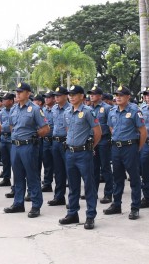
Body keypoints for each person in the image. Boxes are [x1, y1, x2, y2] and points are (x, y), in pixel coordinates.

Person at [59, 85, 101, 230]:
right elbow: (68, 130)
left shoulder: (88, 112)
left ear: (82, 96)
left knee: (89, 184)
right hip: (70, 152)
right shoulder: (67, 112)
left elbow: (98, 132)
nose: (71, 97)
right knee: (72, 184)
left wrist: (90, 147)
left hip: (84, 153)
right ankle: (72, 213)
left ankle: (90, 215)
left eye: (74, 94)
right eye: (69, 94)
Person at [5, 82, 49, 218]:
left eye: (21, 91)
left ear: (28, 93)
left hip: (29, 146)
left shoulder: (35, 109)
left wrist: (33, 137)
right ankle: (18, 203)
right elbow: (12, 127)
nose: (17, 94)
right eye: (17, 91)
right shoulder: (14, 109)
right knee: (17, 176)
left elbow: (45, 129)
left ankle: (36, 205)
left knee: (32, 176)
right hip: (15, 146)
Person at [105, 86, 146, 220]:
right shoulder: (112, 111)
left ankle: (135, 207)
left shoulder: (135, 111)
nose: (118, 97)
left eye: (121, 95)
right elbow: (111, 127)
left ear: (128, 97)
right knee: (117, 178)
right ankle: (116, 205)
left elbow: (143, 132)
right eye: (116, 95)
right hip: (116, 148)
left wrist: (137, 148)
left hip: (130, 147)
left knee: (134, 178)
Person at [87, 86, 113, 203]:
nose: (91, 95)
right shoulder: (87, 109)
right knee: (93, 168)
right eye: (90, 94)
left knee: (106, 168)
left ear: (100, 96)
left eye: (94, 94)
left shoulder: (107, 108)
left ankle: (108, 194)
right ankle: (93, 192)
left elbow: (112, 125)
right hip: (92, 140)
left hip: (104, 140)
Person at [47, 86, 69, 207]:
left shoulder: (70, 108)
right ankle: (59, 196)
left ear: (66, 96)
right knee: (59, 171)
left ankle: (72, 198)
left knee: (70, 171)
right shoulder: (54, 109)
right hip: (55, 142)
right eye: (55, 95)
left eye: (59, 95)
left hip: (67, 142)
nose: (56, 97)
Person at [0, 93, 14, 189]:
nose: (3, 101)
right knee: (5, 160)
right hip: (3, 138)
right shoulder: (1, 112)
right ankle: (6, 178)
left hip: (12, 138)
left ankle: (16, 183)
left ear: (11, 101)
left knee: (15, 162)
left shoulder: (15, 110)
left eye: (5, 99)